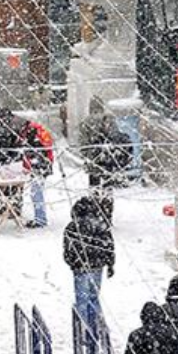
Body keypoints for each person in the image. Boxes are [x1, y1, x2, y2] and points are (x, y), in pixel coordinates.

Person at [64, 194, 115, 341]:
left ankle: (84, 330)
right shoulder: (101, 225)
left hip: (80, 268)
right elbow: (110, 246)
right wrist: (110, 264)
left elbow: (67, 250)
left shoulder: (72, 227)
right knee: (94, 298)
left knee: (82, 300)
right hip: (98, 266)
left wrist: (73, 263)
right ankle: (98, 328)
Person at [78, 96, 132, 224]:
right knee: (108, 188)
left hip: (93, 161)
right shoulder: (109, 119)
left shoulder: (85, 122)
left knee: (94, 188)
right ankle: (107, 215)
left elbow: (82, 144)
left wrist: (87, 156)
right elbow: (116, 137)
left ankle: (95, 214)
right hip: (108, 160)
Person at [19, 117, 54, 228]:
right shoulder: (35, 130)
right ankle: (40, 218)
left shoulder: (32, 132)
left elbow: (31, 151)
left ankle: (40, 220)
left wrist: (30, 163)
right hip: (41, 165)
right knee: (36, 192)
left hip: (39, 166)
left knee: (36, 192)